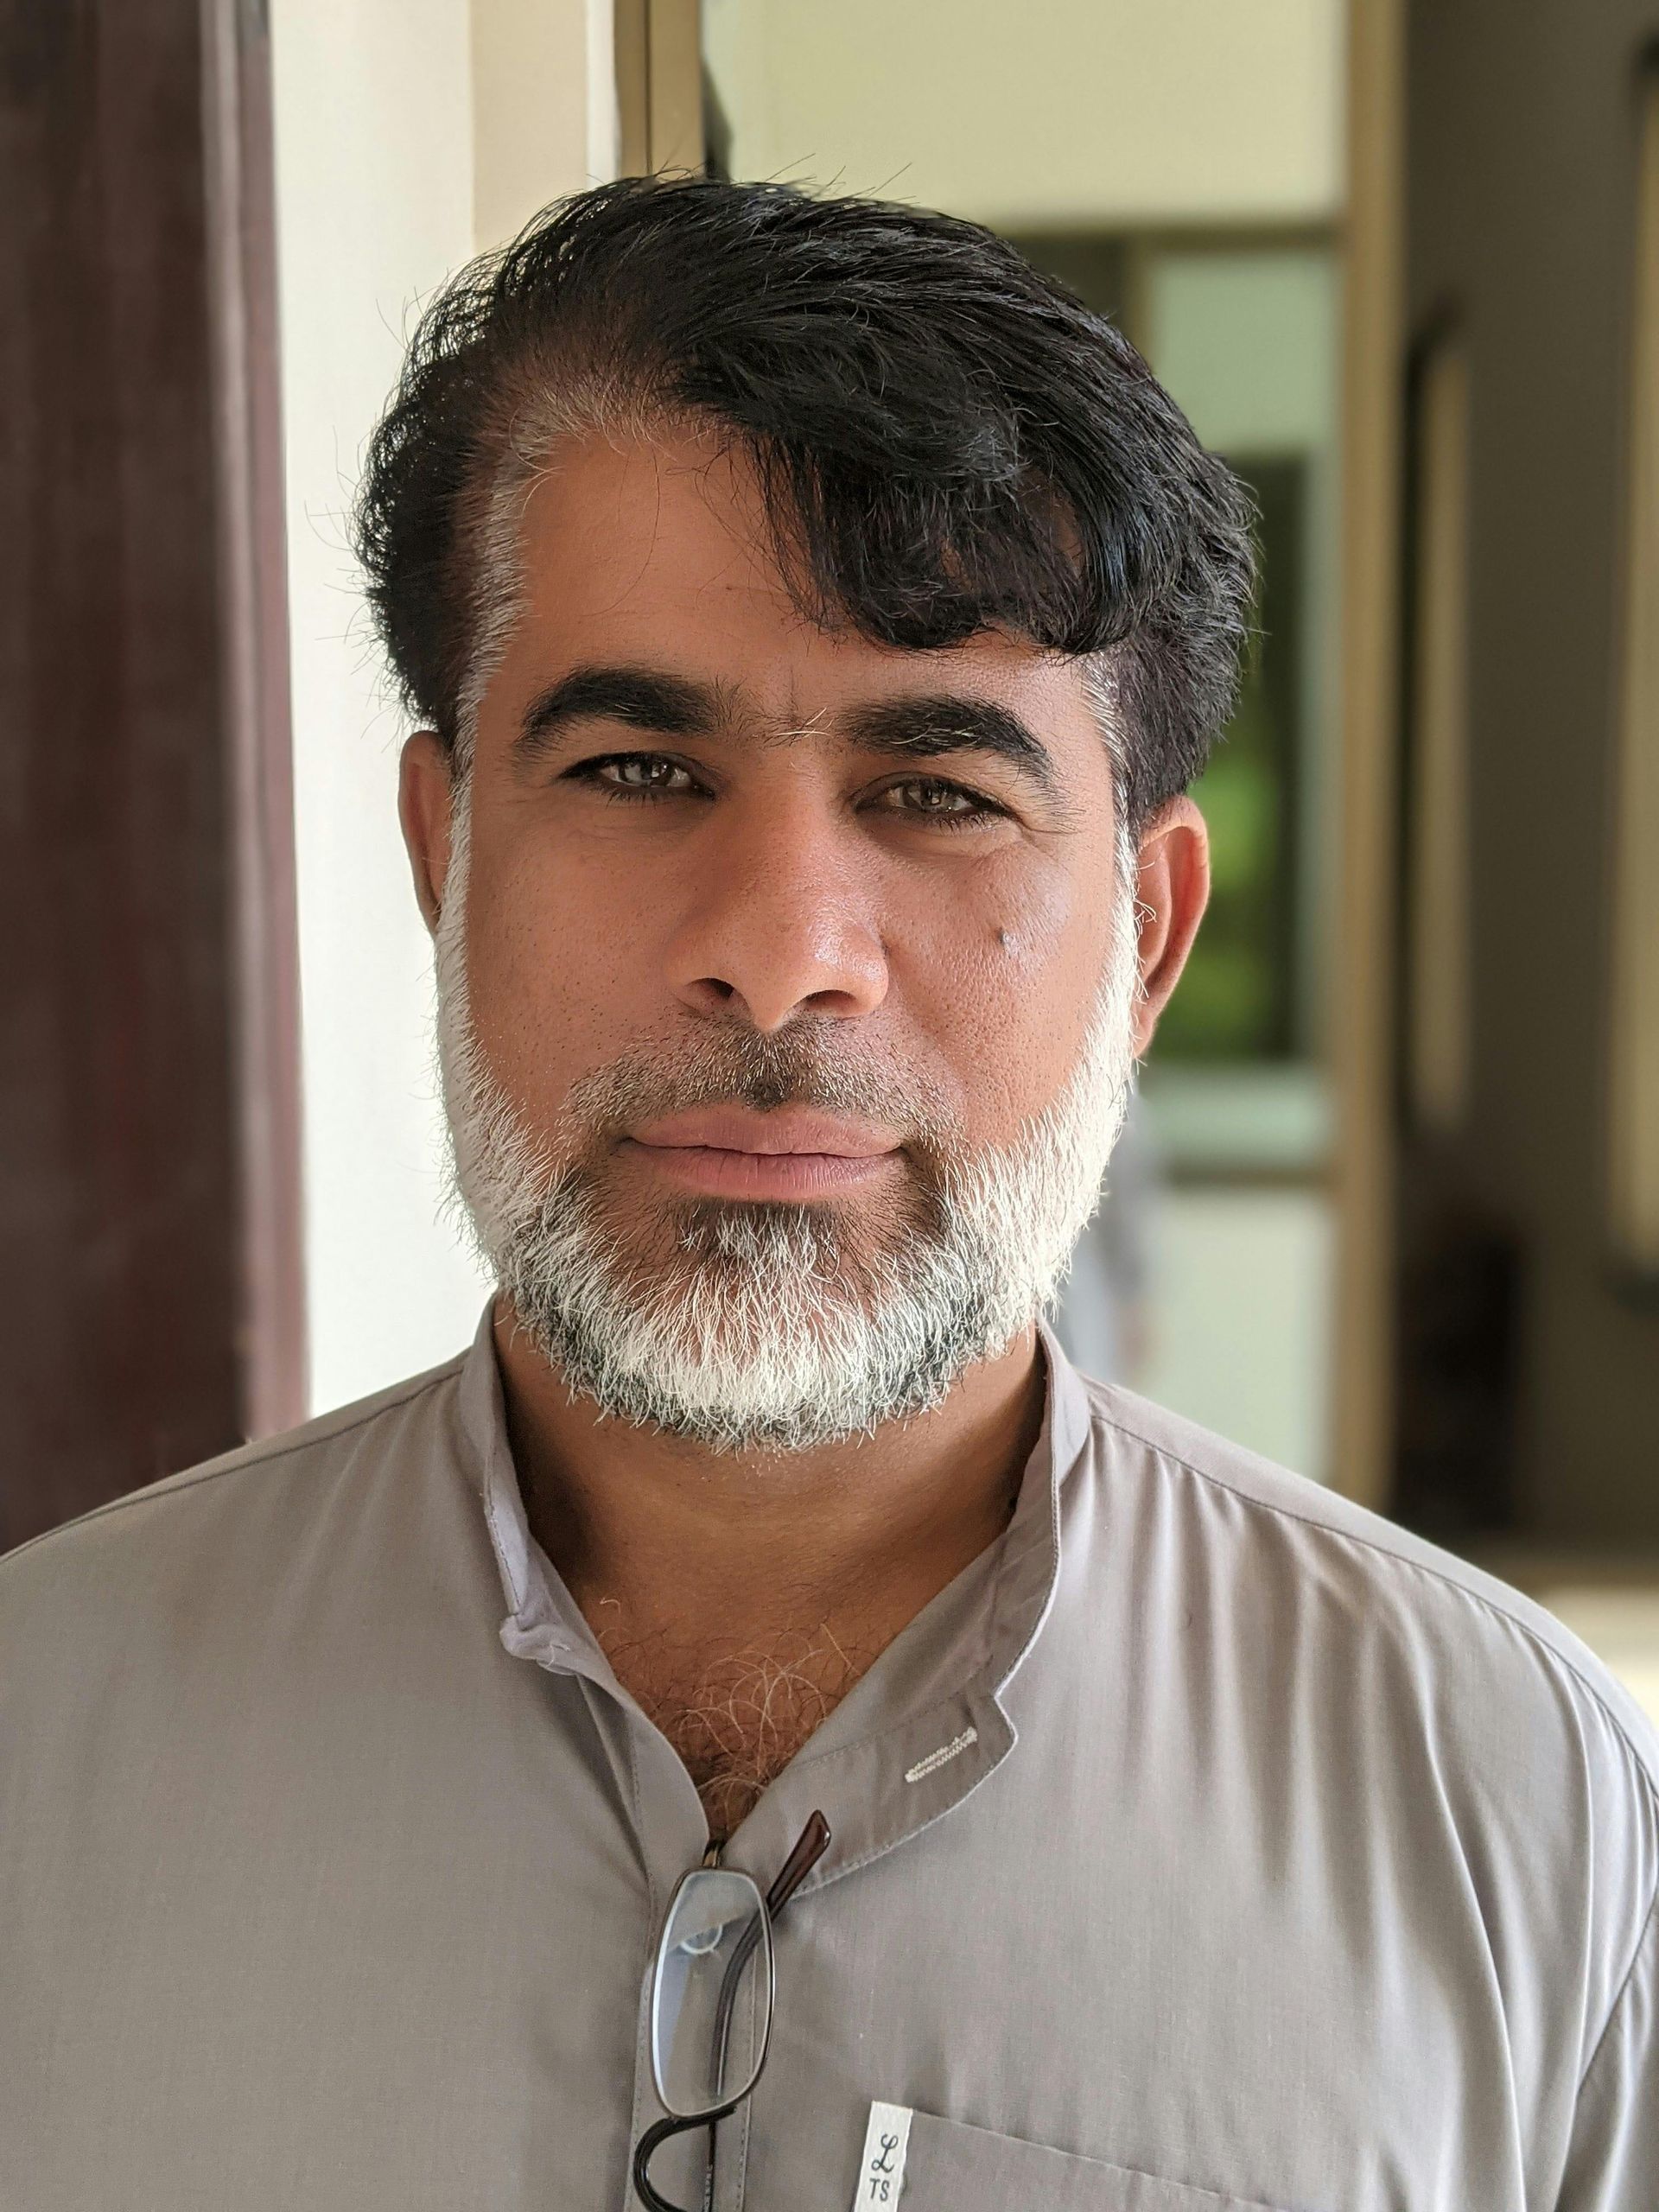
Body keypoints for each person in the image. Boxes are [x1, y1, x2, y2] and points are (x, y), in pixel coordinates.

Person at [3, 176, 1655, 2212]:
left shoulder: (1516, 1809)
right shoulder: (39, 1747)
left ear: (1145, 932)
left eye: (939, 791)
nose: (783, 952)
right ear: (445, 853)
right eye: (633, 768)